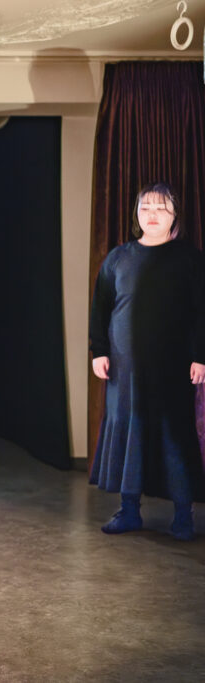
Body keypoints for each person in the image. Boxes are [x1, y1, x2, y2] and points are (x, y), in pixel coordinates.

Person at [89, 182, 205, 541]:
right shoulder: (118, 258)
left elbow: (202, 311)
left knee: (174, 435)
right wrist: (99, 351)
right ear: (136, 214)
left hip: (175, 366)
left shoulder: (190, 259)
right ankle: (129, 510)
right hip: (124, 368)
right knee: (129, 432)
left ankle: (183, 516)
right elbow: (101, 307)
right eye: (146, 208)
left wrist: (201, 356)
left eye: (161, 208)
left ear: (175, 215)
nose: (152, 215)